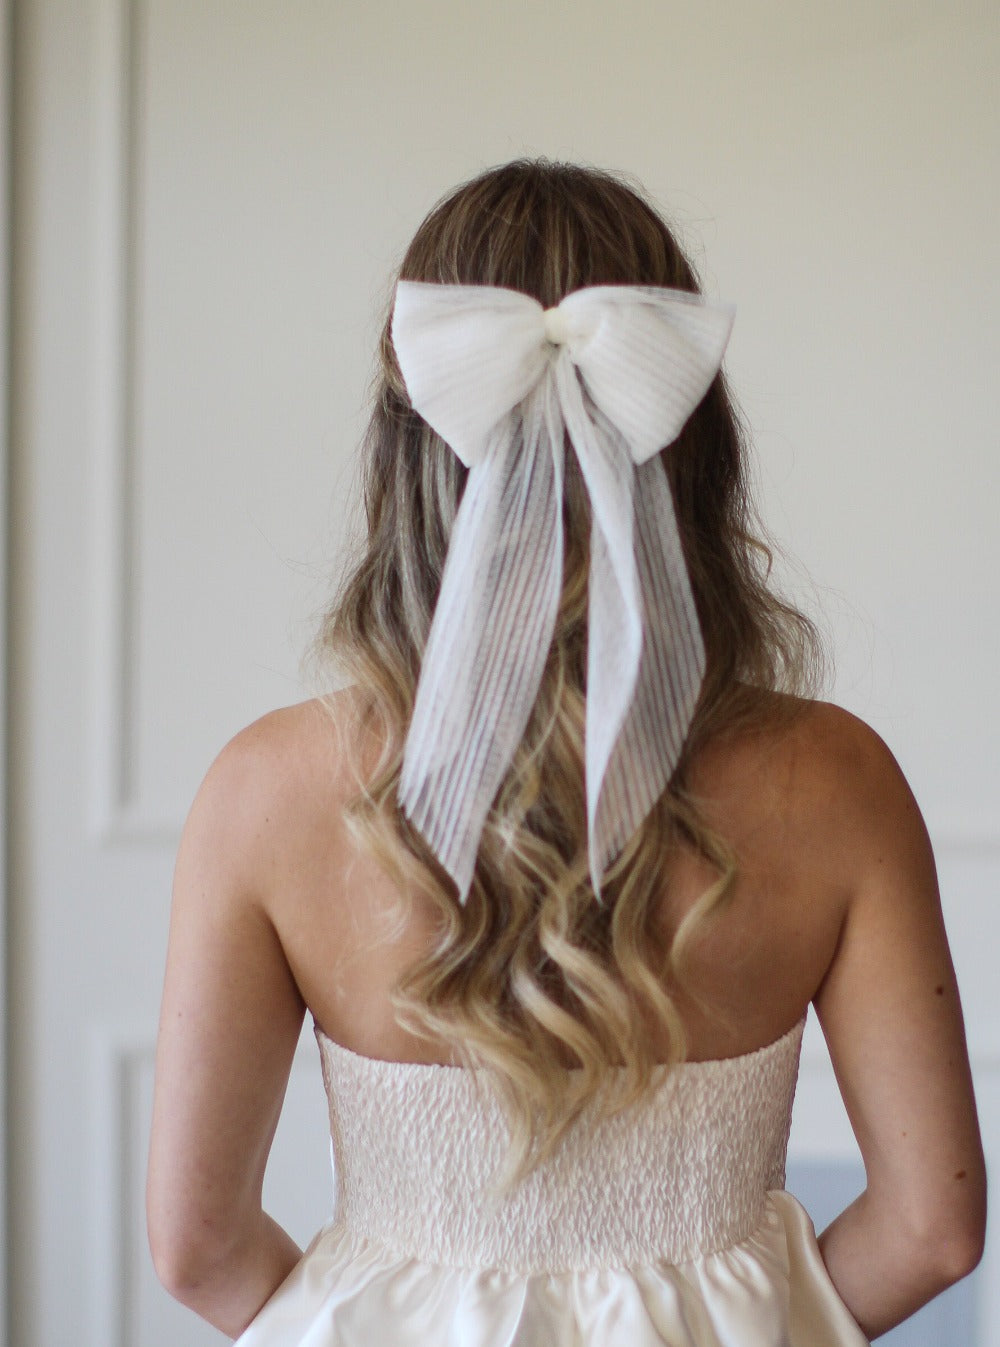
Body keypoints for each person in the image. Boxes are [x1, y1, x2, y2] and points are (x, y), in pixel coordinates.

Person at [146, 159, 986, 1345]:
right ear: (690, 438)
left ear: (409, 453)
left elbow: (197, 1248)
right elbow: (933, 1229)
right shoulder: (836, 781)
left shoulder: (263, 793)